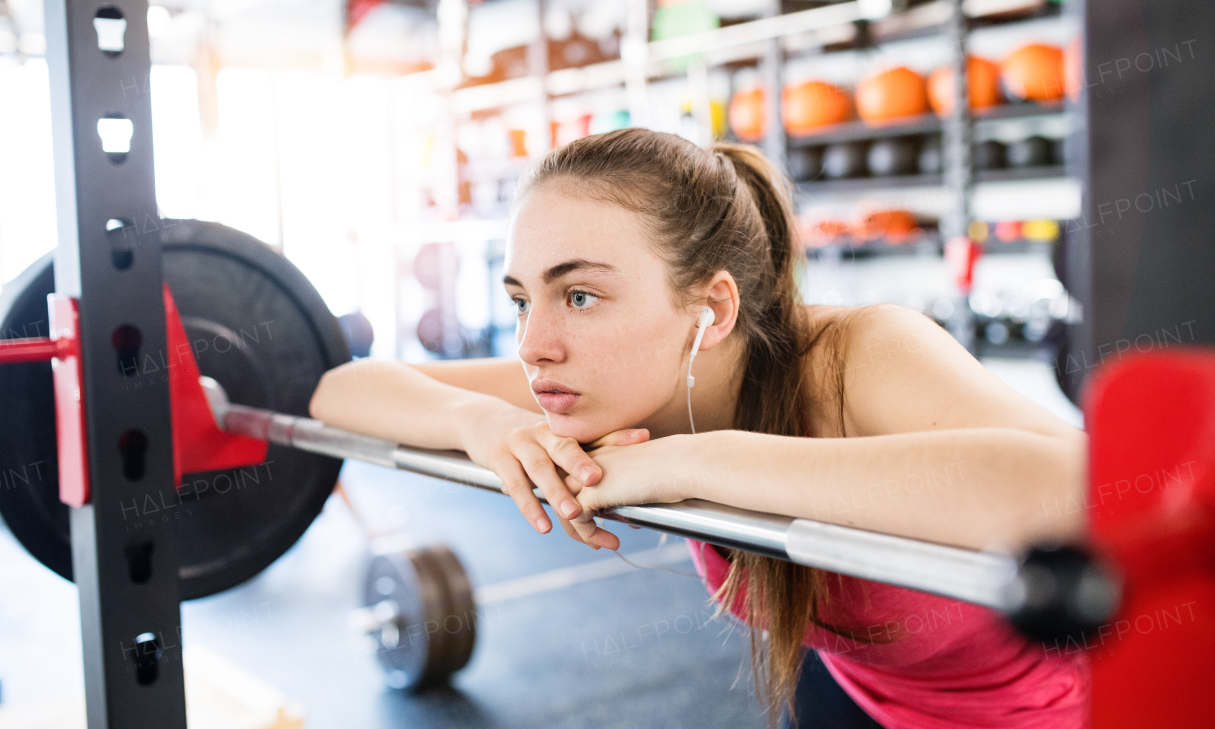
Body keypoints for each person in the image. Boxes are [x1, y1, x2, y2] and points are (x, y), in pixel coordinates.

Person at [310, 128, 1088, 728]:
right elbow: (343, 389)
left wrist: (692, 461)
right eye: (522, 299)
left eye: (578, 294)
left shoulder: (860, 355)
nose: (530, 342)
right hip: (857, 697)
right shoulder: (601, 371)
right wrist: (480, 421)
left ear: (711, 309)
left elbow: (1078, 490)